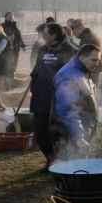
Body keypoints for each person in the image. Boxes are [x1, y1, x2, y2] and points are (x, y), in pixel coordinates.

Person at [29, 23, 76, 166]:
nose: (43, 36)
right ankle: (51, 158)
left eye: (46, 34)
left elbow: (76, 76)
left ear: (54, 35)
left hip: (59, 100)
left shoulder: (71, 51)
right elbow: (36, 70)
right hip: (41, 98)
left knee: (59, 132)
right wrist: (33, 86)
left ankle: (62, 161)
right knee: (40, 131)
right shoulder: (43, 49)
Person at [49, 44, 101, 158]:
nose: (97, 64)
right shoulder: (69, 76)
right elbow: (68, 111)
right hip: (70, 136)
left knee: (81, 166)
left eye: (98, 60)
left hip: (82, 130)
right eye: (94, 60)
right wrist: (79, 138)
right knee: (73, 168)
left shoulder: (82, 71)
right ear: (82, 58)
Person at [1, 12, 25, 84]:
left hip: (16, 49)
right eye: (9, 16)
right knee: (7, 64)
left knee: (14, 64)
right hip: (7, 50)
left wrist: (22, 45)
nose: (11, 17)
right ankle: (6, 80)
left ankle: (11, 79)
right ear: (5, 17)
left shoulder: (15, 26)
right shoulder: (2, 26)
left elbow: (19, 37)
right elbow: (0, 36)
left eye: (12, 16)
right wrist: (7, 38)